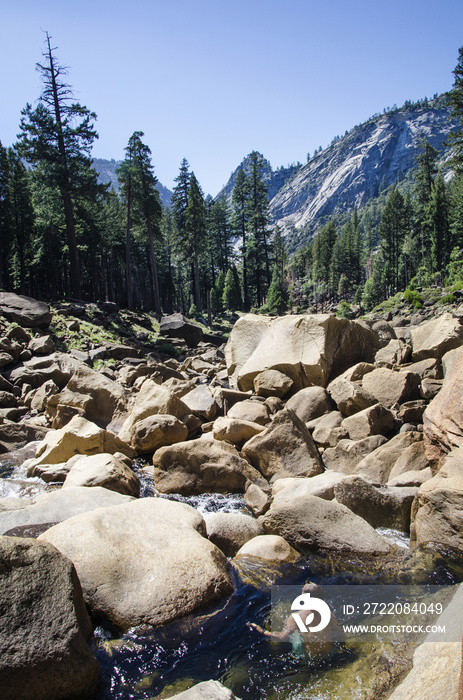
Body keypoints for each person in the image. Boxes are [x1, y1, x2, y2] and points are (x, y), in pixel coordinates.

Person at [247, 582, 344, 660]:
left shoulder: (295, 617)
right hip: (328, 655)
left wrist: (262, 631)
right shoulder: (329, 613)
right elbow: (340, 634)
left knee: (295, 636)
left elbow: (282, 637)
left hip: (308, 658)